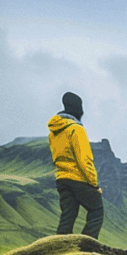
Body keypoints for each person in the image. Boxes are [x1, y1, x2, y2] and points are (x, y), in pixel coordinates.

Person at [48, 92, 104, 239]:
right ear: (78, 108)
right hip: (78, 179)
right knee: (97, 210)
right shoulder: (76, 129)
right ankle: (86, 245)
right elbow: (84, 159)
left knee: (68, 216)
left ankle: (59, 249)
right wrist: (94, 184)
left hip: (61, 179)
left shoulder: (54, 132)